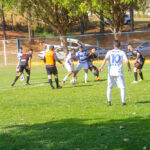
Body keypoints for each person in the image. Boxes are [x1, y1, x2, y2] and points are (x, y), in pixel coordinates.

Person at [99, 40, 131, 106]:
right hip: (118, 72)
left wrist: (101, 67)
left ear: (113, 46)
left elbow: (105, 60)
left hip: (111, 72)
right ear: (120, 46)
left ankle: (109, 101)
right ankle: (123, 102)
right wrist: (129, 68)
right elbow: (127, 62)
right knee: (122, 87)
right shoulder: (122, 52)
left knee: (109, 87)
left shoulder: (109, 52)